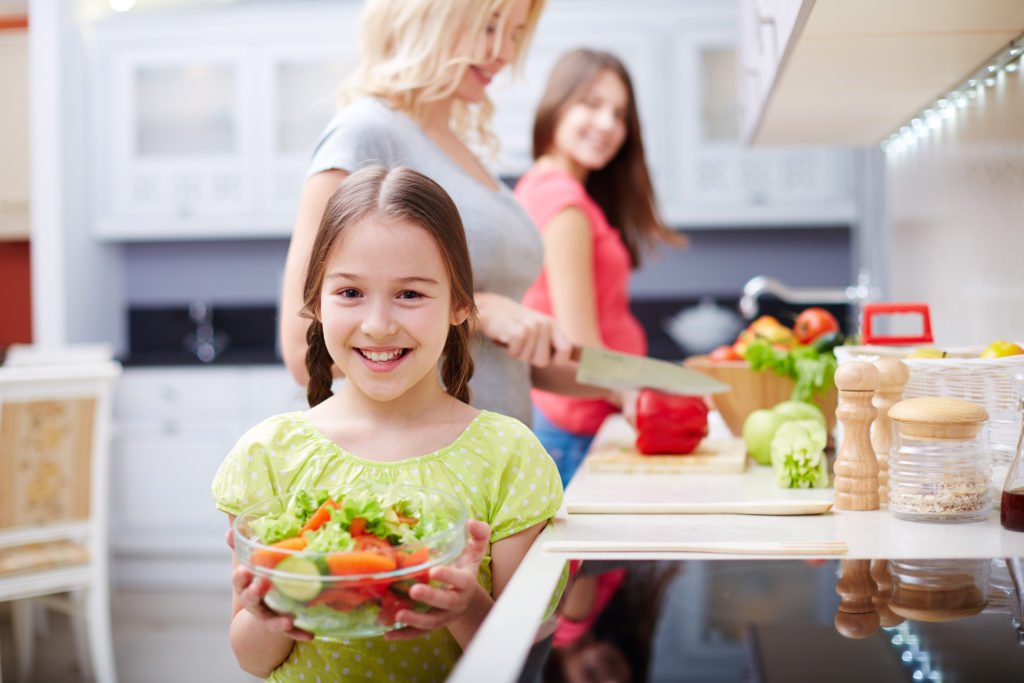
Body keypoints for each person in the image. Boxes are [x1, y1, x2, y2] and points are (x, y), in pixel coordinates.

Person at [213, 166, 564, 681]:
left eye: (410, 294)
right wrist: (272, 611)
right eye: (350, 293)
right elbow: (251, 656)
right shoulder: (268, 454)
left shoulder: (510, 457)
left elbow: (524, 660)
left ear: (461, 306)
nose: (377, 325)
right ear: (315, 303)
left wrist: (465, 607)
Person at [280, 0, 594, 428]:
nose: (504, 52)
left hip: (497, 465)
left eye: (515, 34)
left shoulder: (461, 149)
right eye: (489, 26)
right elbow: (305, 349)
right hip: (424, 474)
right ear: (426, 16)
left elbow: (502, 360)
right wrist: (480, 309)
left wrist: (625, 384)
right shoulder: (365, 133)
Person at [516, 48, 685, 484]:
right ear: (556, 104)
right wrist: (636, 394)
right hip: (576, 429)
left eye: (620, 113)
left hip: (573, 422)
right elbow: (580, 346)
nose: (608, 124)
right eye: (591, 105)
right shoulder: (564, 203)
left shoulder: (543, 187)